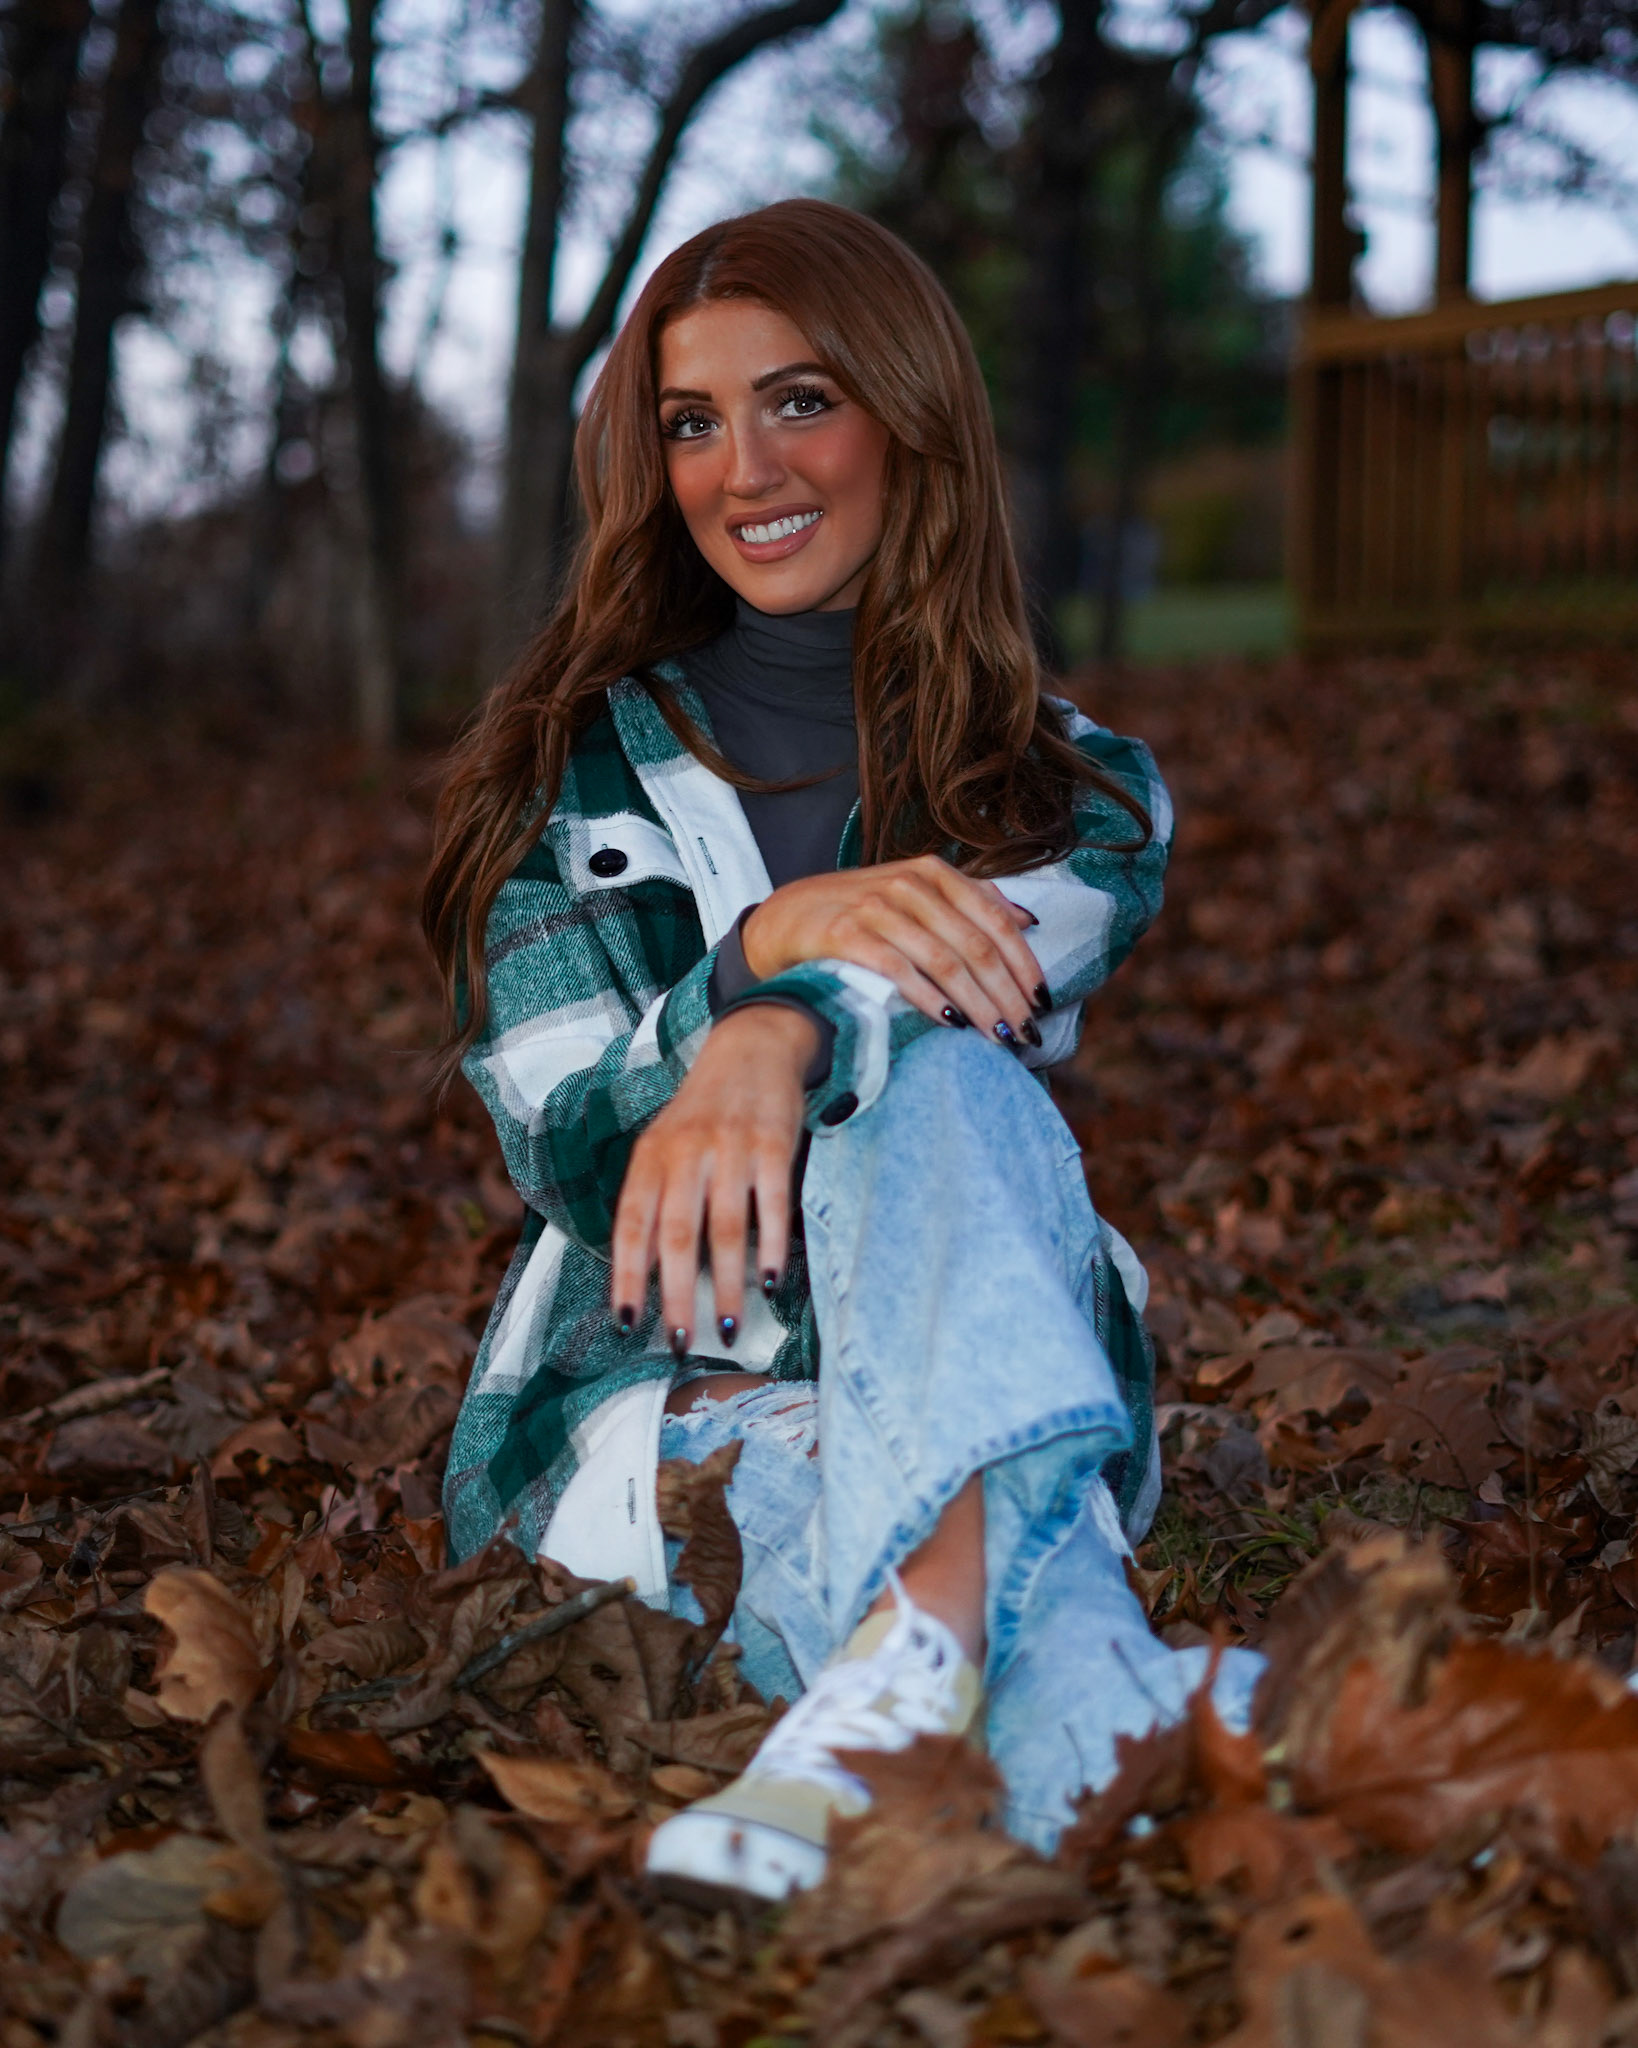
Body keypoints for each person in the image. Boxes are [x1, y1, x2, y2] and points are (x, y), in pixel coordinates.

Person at [423, 198, 1260, 1902]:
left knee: (939, 1071)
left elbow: (975, 989)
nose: (743, 470)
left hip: (965, 1353)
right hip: (650, 1406)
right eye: (691, 422)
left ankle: (896, 1697)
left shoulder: (1075, 792)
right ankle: (1199, 1722)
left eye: (799, 400)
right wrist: (755, 957)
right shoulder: (561, 776)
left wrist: (771, 1029)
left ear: (909, 413)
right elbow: (569, 1135)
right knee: (1021, 1565)